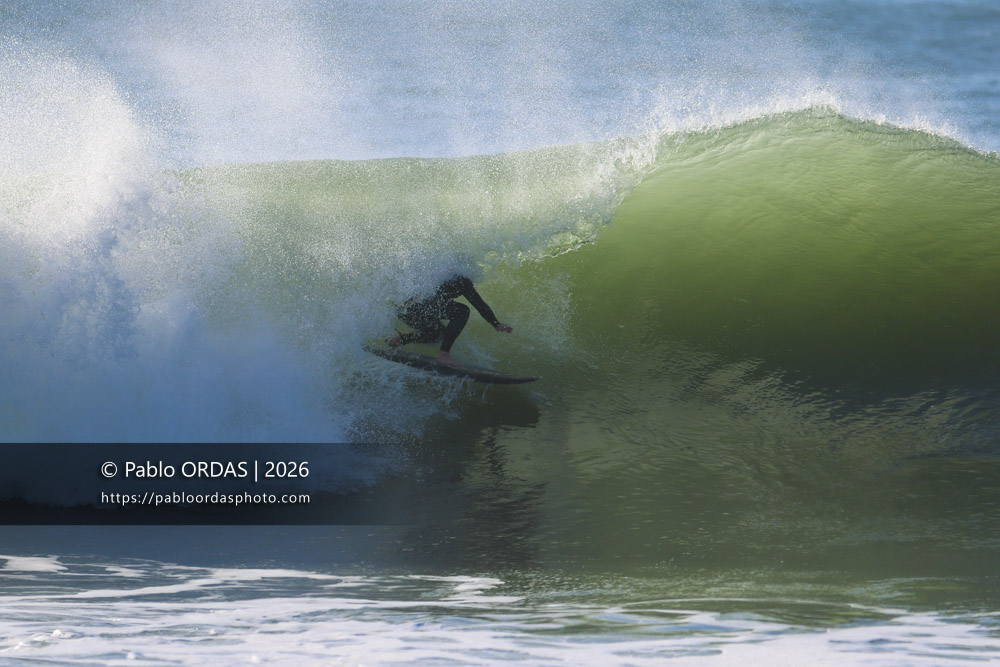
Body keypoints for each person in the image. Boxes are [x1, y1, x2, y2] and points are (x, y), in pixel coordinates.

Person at [387, 274, 513, 366]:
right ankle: (443, 354)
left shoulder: (441, 273)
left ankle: (399, 340)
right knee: (462, 311)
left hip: (404, 311)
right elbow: (479, 304)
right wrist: (495, 324)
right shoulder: (461, 280)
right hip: (414, 308)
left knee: (437, 334)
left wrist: (496, 324)